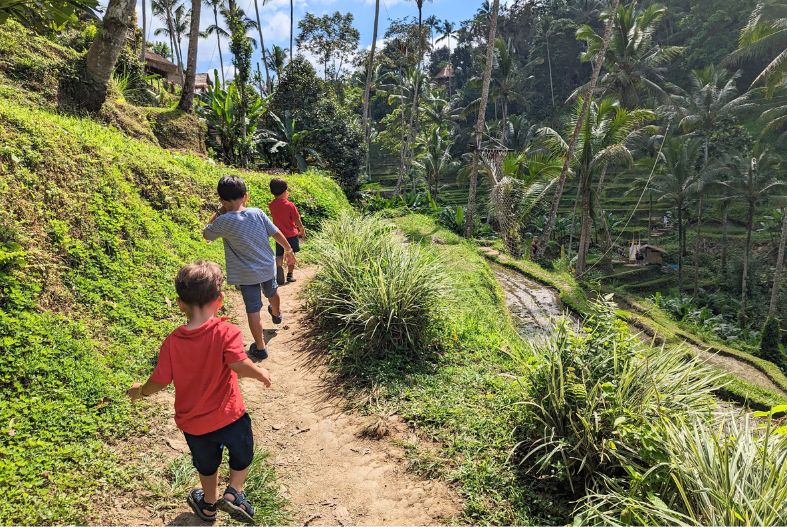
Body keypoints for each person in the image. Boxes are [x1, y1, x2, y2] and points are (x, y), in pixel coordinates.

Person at [127, 261, 272, 524]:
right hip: (231, 418)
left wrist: (142, 391)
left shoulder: (172, 342)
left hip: (194, 425)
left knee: (206, 465)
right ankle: (234, 493)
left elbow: (160, 381)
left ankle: (208, 505)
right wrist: (260, 373)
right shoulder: (225, 331)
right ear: (220, 299)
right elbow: (238, 364)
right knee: (243, 454)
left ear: (181, 304)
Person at [203, 175, 297, 359]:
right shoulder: (258, 213)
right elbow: (276, 233)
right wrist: (288, 249)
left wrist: (219, 211)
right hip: (266, 268)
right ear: (246, 196)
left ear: (222, 200)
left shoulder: (223, 221)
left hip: (246, 275)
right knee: (272, 292)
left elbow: (206, 234)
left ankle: (261, 348)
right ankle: (276, 314)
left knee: (253, 310)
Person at [268, 178, 306, 285]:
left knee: (279, 254)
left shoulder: (272, 205)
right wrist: (302, 229)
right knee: (291, 253)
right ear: (285, 192)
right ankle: (290, 275)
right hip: (291, 235)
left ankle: (279, 268)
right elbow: (297, 220)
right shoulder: (290, 205)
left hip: (278, 235)